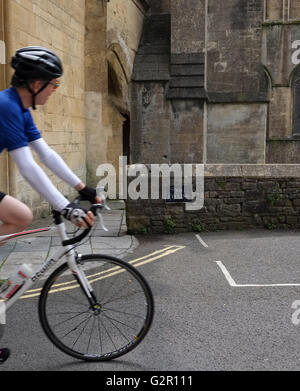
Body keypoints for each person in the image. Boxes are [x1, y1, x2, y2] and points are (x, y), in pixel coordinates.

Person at [0, 46, 101, 363]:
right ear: (35, 83)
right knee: (21, 213)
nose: (55, 91)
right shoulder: (5, 105)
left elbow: (45, 154)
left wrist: (82, 188)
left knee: (21, 215)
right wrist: (66, 207)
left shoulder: (21, 108)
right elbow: (27, 166)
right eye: (53, 84)